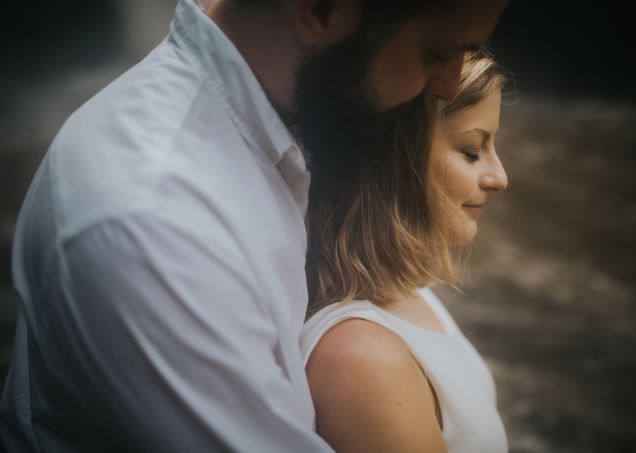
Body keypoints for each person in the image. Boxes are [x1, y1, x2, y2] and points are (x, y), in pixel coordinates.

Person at [0, 0, 509, 451]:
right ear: (323, 11)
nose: (445, 86)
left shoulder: (286, 126)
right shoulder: (154, 222)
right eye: (436, 54)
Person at [302, 49, 509, 452]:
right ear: (398, 160)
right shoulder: (362, 359)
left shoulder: (409, 293)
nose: (499, 177)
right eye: (471, 151)